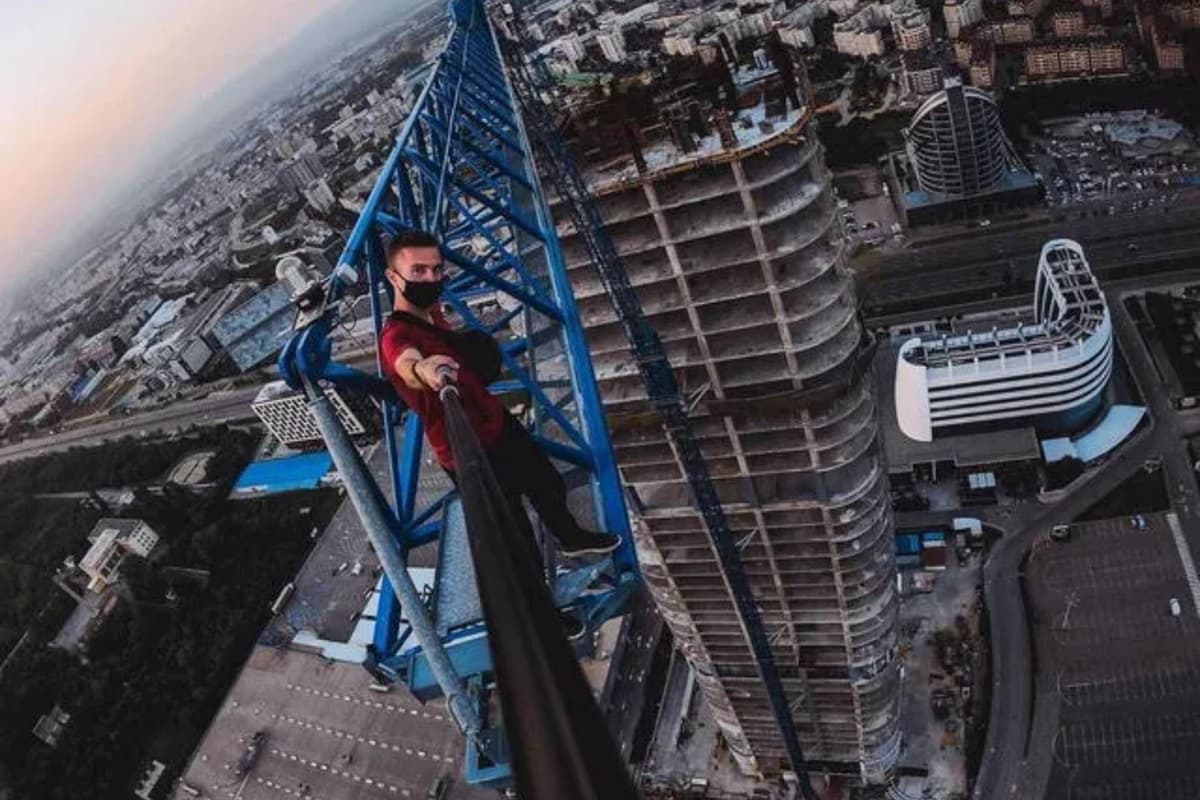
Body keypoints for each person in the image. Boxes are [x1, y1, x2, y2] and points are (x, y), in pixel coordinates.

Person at [378, 229, 621, 565]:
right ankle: (538, 596)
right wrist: (424, 370)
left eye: (436, 269)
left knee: (546, 482)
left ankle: (571, 538)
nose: (431, 278)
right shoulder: (395, 335)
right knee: (511, 529)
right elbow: (405, 363)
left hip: (494, 421)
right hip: (467, 449)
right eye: (418, 271)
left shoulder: (430, 311)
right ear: (393, 277)